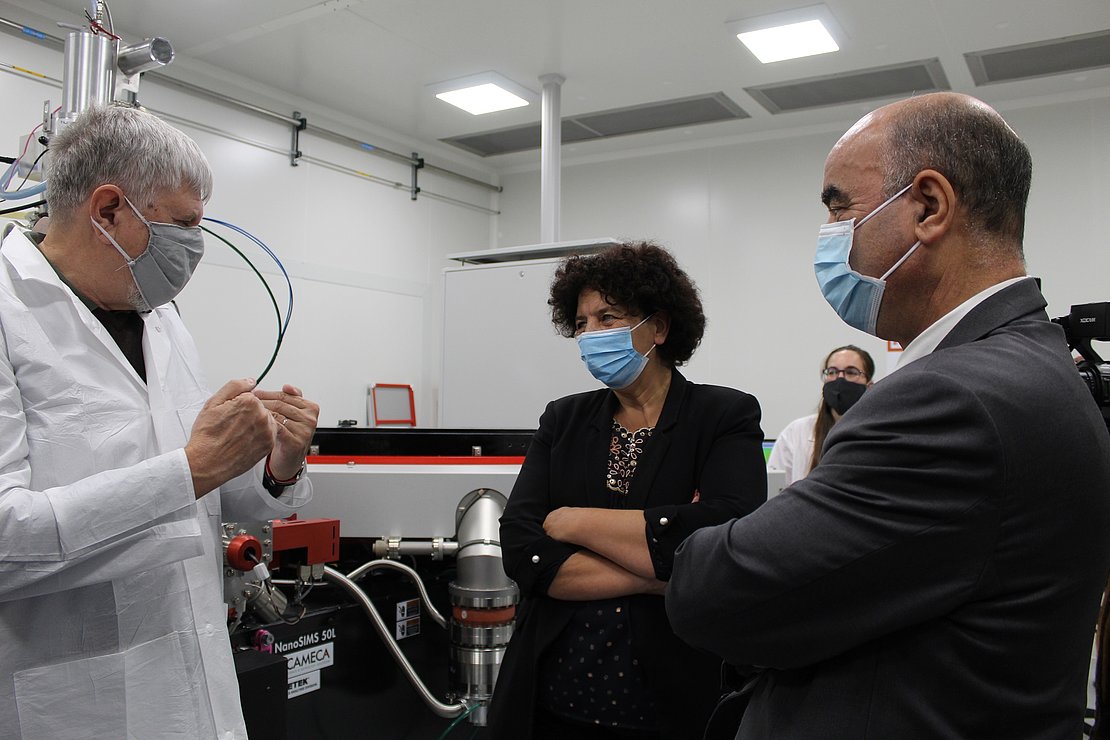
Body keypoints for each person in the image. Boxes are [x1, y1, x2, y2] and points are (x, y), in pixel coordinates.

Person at [666, 92, 1110, 739]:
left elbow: (715, 592)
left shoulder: (951, 397)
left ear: (928, 207)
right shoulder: (1031, 364)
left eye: (840, 206)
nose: (829, 233)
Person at [0, 104, 320, 739]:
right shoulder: (10, 312)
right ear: (109, 210)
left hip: (195, 686)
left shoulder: (159, 316)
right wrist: (191, 468)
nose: (195, 250)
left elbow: (204, 493)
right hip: (73, 702)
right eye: (184, 226)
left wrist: (273, 468)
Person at [489, 242, 767, 739]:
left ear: (657, 328)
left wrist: (572, 522)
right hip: (554, 696)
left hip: (675, 697)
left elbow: (732, 535)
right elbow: (522, 548)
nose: (590, 335)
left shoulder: (723, 415)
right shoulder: (564, 418)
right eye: (581, 323)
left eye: (608, 318)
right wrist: (656, 574)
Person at [767, 345, 874, 485]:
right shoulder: (796, 432)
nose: (839, 379)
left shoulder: (879, 433)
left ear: (869, 385)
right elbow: (776, 489)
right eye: (832, 372)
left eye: (851, 372)